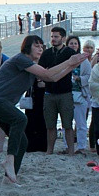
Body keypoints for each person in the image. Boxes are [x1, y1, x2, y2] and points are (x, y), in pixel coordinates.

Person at [0, 35, 86, 183]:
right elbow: (48, 73)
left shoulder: (31, 65)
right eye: (37, 45)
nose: (41, 48)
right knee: (21, 119)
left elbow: (52, 78)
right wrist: (69, 61)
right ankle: (9, 160)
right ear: (27, 47)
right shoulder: (21, 59)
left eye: (42, 46)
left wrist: (72, 66)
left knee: (23, 142)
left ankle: (9, 178)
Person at [39, 27, 80, 155]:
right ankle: (49, 150)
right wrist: (45, 79)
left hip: (65, 93)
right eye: (52, 36)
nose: (53, 39)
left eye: (56, 37)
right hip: (49, 93)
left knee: (67, 124)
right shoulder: (46, 53)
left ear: (62, 38)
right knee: (50, 125)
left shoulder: (69, 52)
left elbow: (74, 67)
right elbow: (41, 71)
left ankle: (71, 151)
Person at [68, 36, 91, 155]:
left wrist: (78, 79)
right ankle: (68, 146)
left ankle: (81, 146)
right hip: (66, 95)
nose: (73, 45)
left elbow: (89, 77)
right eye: (71, 43)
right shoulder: (64, 59)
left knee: (81, 122)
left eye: (75, 43)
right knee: (67, 123)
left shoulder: (84, 61)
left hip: (80, 94)